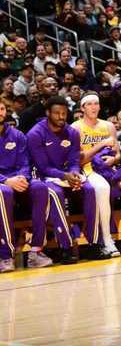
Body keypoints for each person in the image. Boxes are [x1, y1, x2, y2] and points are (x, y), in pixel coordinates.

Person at [27, 96, 107, 261]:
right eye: (57, 113)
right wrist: (65, 176)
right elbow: (43, 167)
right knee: (56, 194)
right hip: (43, 176)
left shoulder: (72, 132)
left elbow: (74, 161)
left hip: (66, 174)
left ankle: (94, 244)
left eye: (64, 113)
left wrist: (75, 173)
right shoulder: (35, 134)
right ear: (48, 113)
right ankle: (66, 247)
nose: (61, 117)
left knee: (90, 189)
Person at [72, 92, 121, 255]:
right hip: (89, 169)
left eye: (96, 103)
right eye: (89, 104)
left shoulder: (108, 126)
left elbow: (118, 155)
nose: (94, 107)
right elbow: (79, 160)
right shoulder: (75, 128)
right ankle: (108, 240)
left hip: (110, 167)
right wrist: (101, 145)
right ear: (82, 108)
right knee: (103, 188)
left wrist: (113, 159)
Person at [0, 100, 57, 272]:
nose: (0, 112)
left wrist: (22, 178)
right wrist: (5, 180)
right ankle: (5, 255)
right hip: (3, 182)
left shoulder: (17, 135)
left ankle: (36, 251)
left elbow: (25, 162)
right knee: (3, 192)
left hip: (18, 178)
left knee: (40, 187)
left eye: (2, 109)